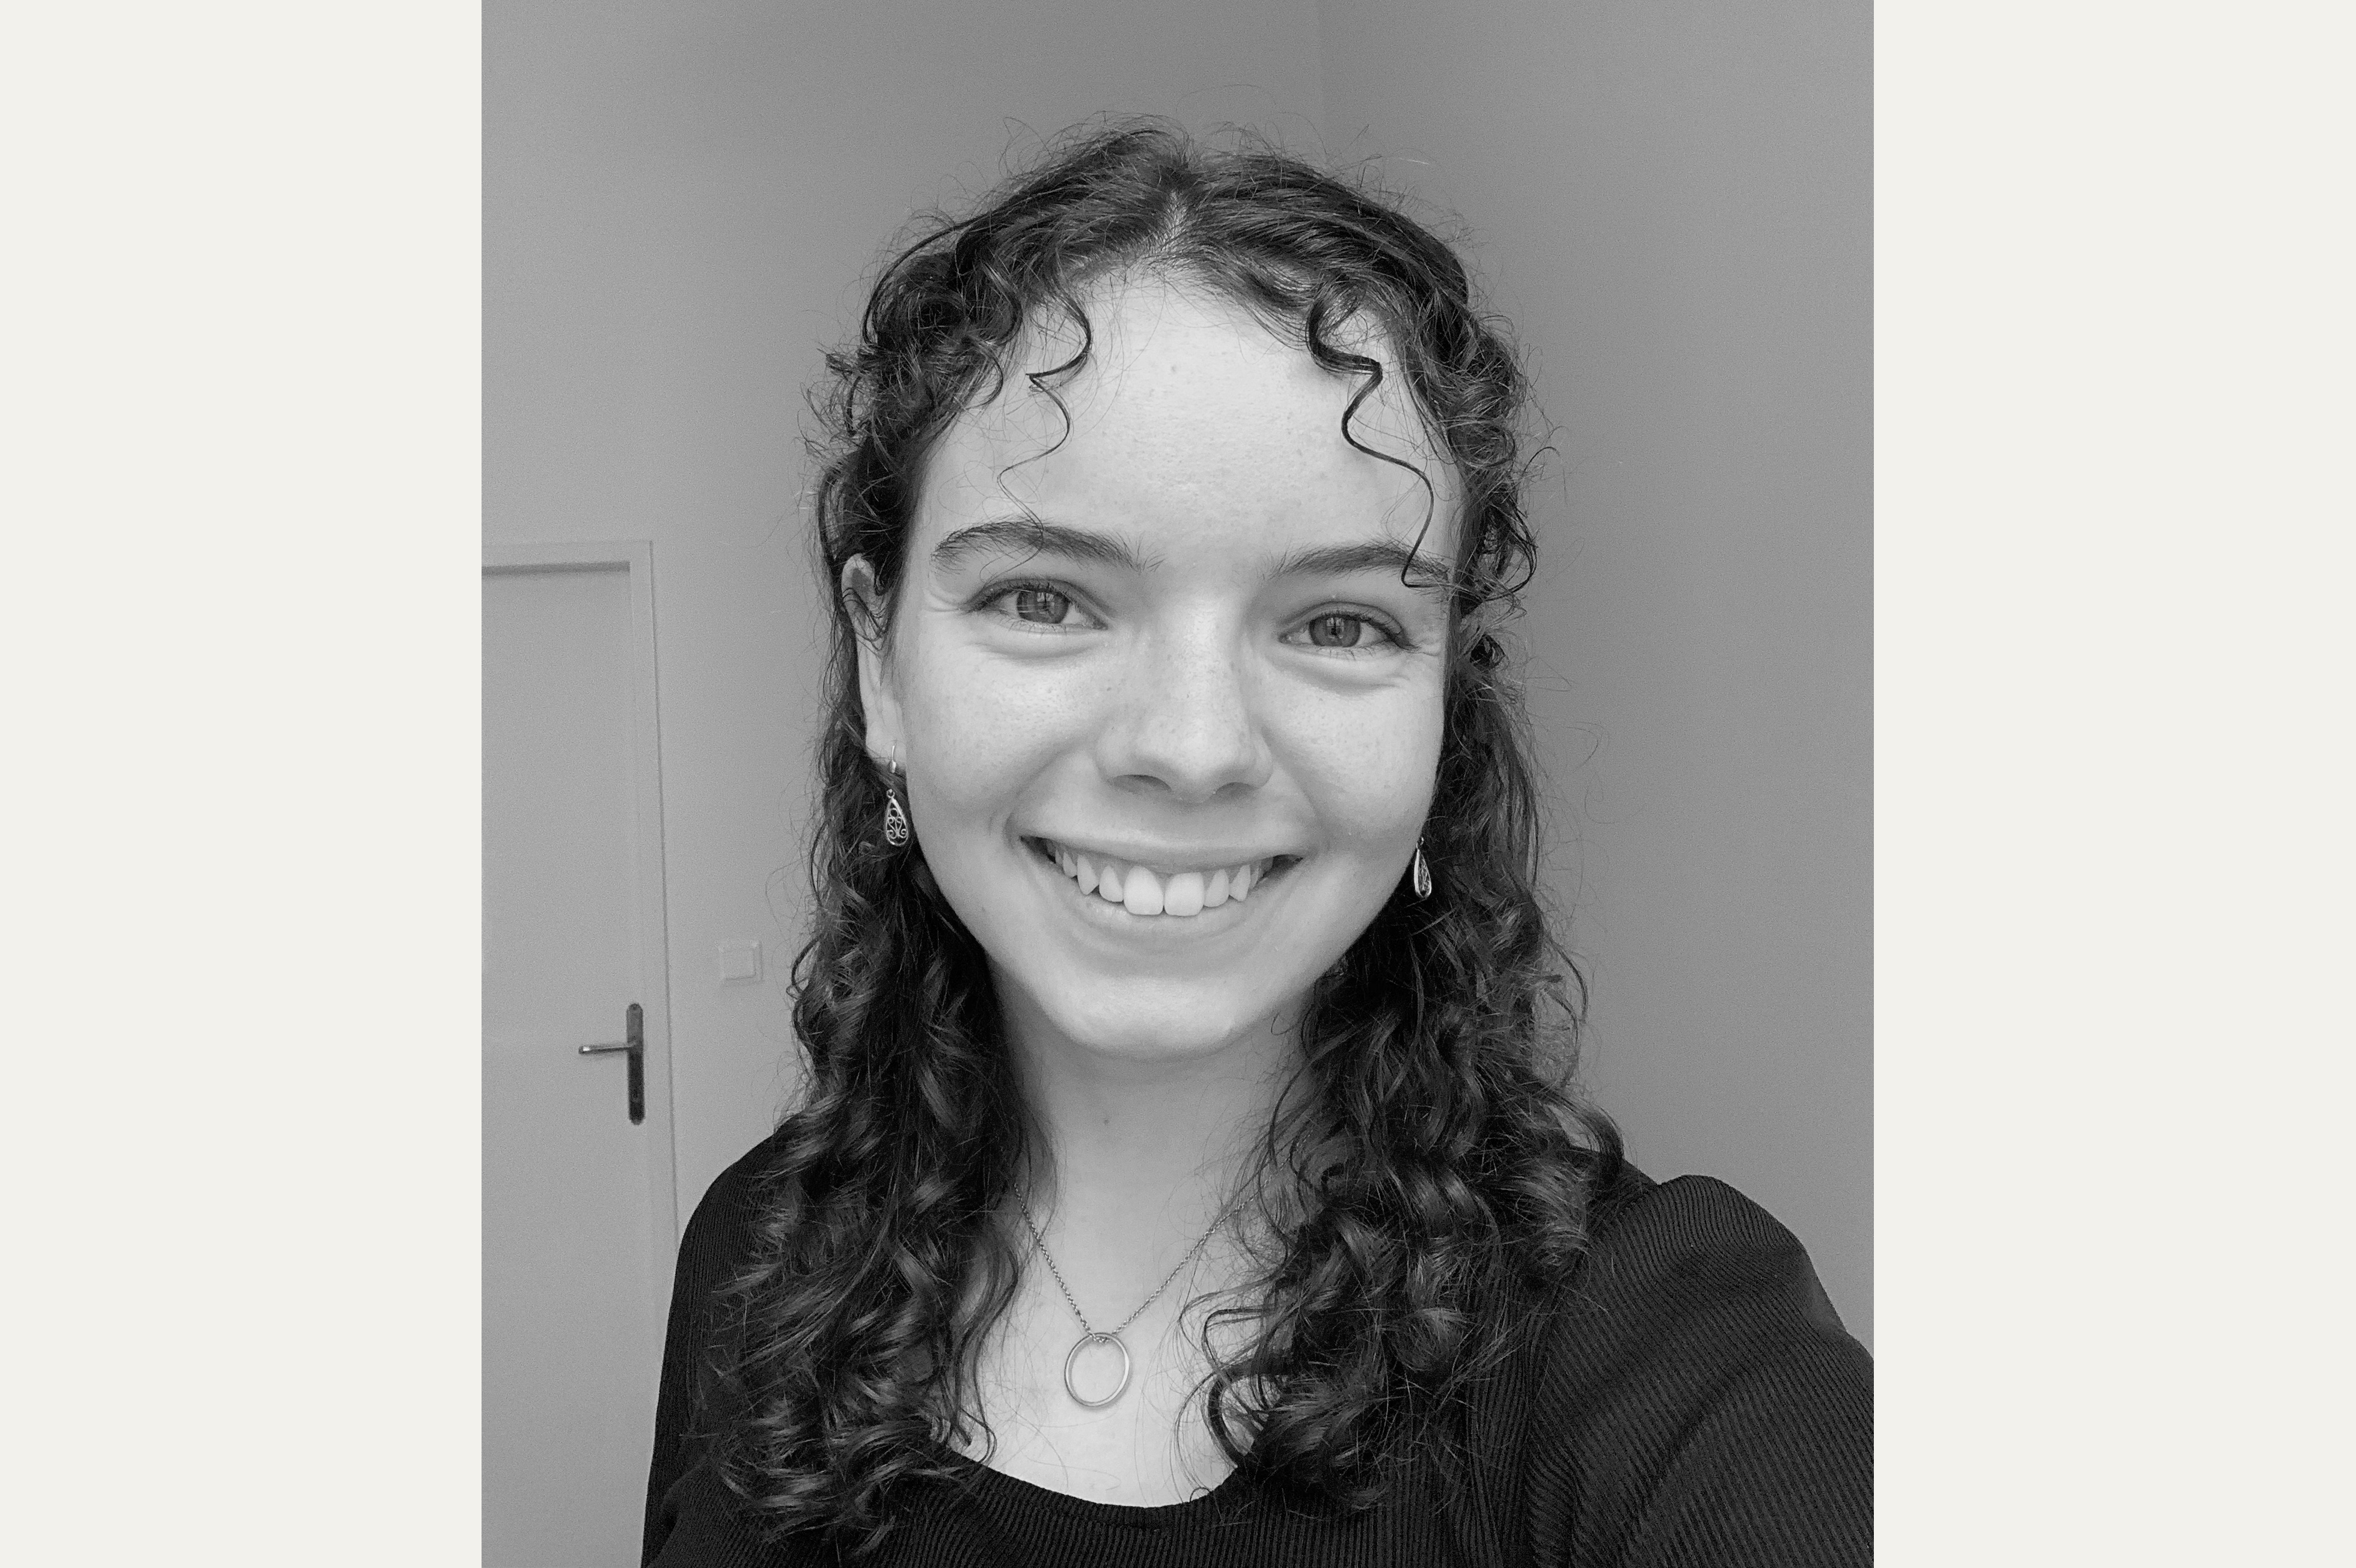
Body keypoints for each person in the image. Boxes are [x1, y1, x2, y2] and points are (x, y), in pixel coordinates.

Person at [642, 122, 1870, 1567]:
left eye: (1340, 622)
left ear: (1441, 713)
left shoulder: (1664, 1353)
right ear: (882, 664)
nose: (1194, 744)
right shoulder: (758, 1250)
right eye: (1045, 597)